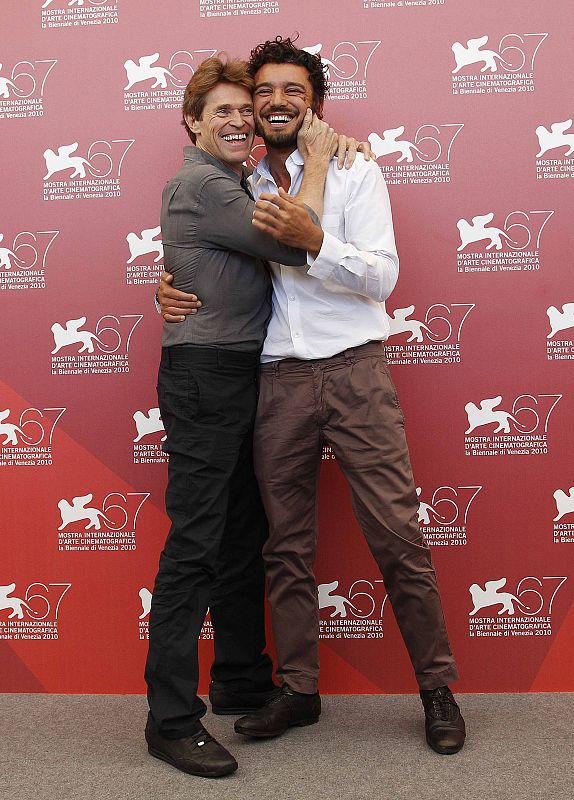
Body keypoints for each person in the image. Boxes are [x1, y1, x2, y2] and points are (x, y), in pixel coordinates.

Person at [159, 37, 466, 757]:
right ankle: (298, 690)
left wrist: (317, 242)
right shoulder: (241, 181)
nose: (273, 103)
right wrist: (171, 289)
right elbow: (210, 252)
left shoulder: (355, 168)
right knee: (285, 549)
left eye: (291, 91)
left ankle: (438, 690)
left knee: (398, 537)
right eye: (263, 92)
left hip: (355, 370)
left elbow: (383, 277)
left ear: (315, 102)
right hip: (276, 380)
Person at [145, 55, 342, 779]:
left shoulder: (234, 185)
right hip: (206, 377)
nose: (236, 121)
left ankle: (238, 677)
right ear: (192, 122)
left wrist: (170, 282)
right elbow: (298, 239)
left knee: (240, 534)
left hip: (236, 372)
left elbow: (209, 266)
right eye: (219, 111)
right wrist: (319, 159)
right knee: (198, 540)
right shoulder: (201, 183)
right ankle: (168, 718)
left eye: (242, 110)